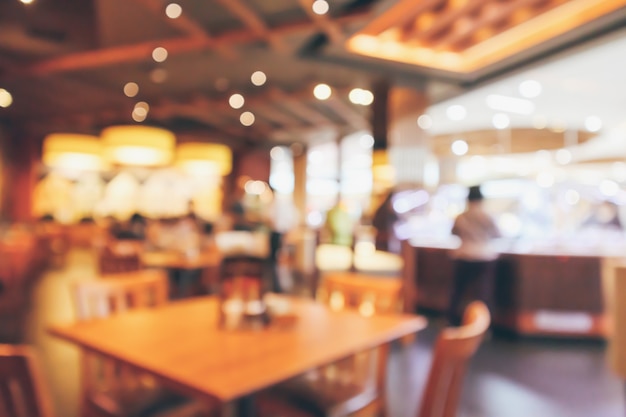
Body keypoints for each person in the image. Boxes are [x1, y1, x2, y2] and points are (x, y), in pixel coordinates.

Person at [448, 185, 501, 326]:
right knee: (484, 292)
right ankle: (484, 325)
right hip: (484, 256)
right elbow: (498, 234)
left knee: (458, 291)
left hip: (463, 255)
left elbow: (453, 232)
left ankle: (452, 321)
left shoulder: (461, 216)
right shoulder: (487, 216)